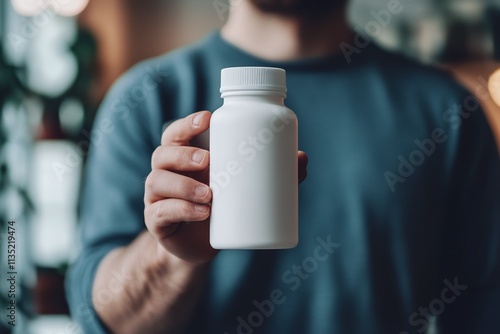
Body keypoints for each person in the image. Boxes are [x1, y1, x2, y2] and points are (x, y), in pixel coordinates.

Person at [66, 0, 500, 333]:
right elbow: (103, 316)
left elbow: (483, 305)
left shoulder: (447, 110)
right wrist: (171, 258)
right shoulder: (146, 98)